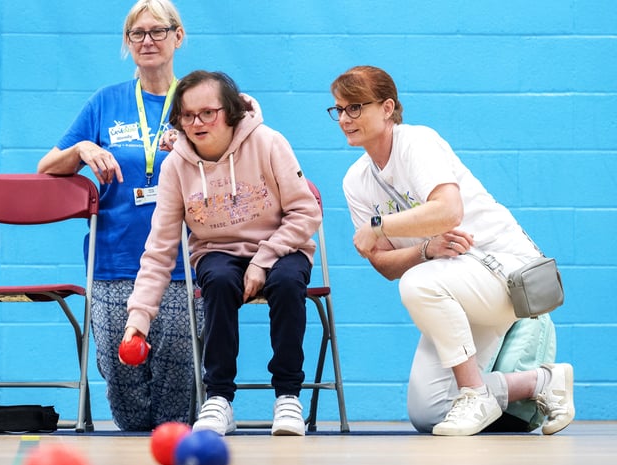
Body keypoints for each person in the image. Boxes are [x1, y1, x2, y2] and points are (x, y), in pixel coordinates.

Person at [328, 65, 575, 436]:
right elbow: (384, 264)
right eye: (339, 109)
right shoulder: (356, 181)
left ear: (387, 107)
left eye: (355, 107)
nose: (345, 118)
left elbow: (448, 210)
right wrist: (425, 250)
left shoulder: (416, 142)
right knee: (429, 411)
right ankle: (543, 382)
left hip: (507, 271)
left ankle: (475, 390)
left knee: (418, 285)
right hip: (454, 284)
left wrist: (379, 226)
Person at [124, 70, 322, 436]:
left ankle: (288, 396)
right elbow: (160, 249)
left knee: (288, 280)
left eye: (208, 113)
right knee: (216, 280)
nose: (197, 123)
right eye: (187, 115)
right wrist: (138, 318)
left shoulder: (268, 142)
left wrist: (264, 260)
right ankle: (218, 399)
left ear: (229, 112)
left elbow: (307, 212)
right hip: (218, 250)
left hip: (280, 243)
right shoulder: (175, 166)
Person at [37, 0, 201, 431]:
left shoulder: (198, 101)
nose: (147, 41)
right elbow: (47, 166)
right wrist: (82, 149)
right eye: (137, 34)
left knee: (175, 398)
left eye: (157, 31)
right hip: (113, 262)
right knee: (126, 396)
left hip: (182, 265)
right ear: (127, 43)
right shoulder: (105, 102)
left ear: (177, 37)